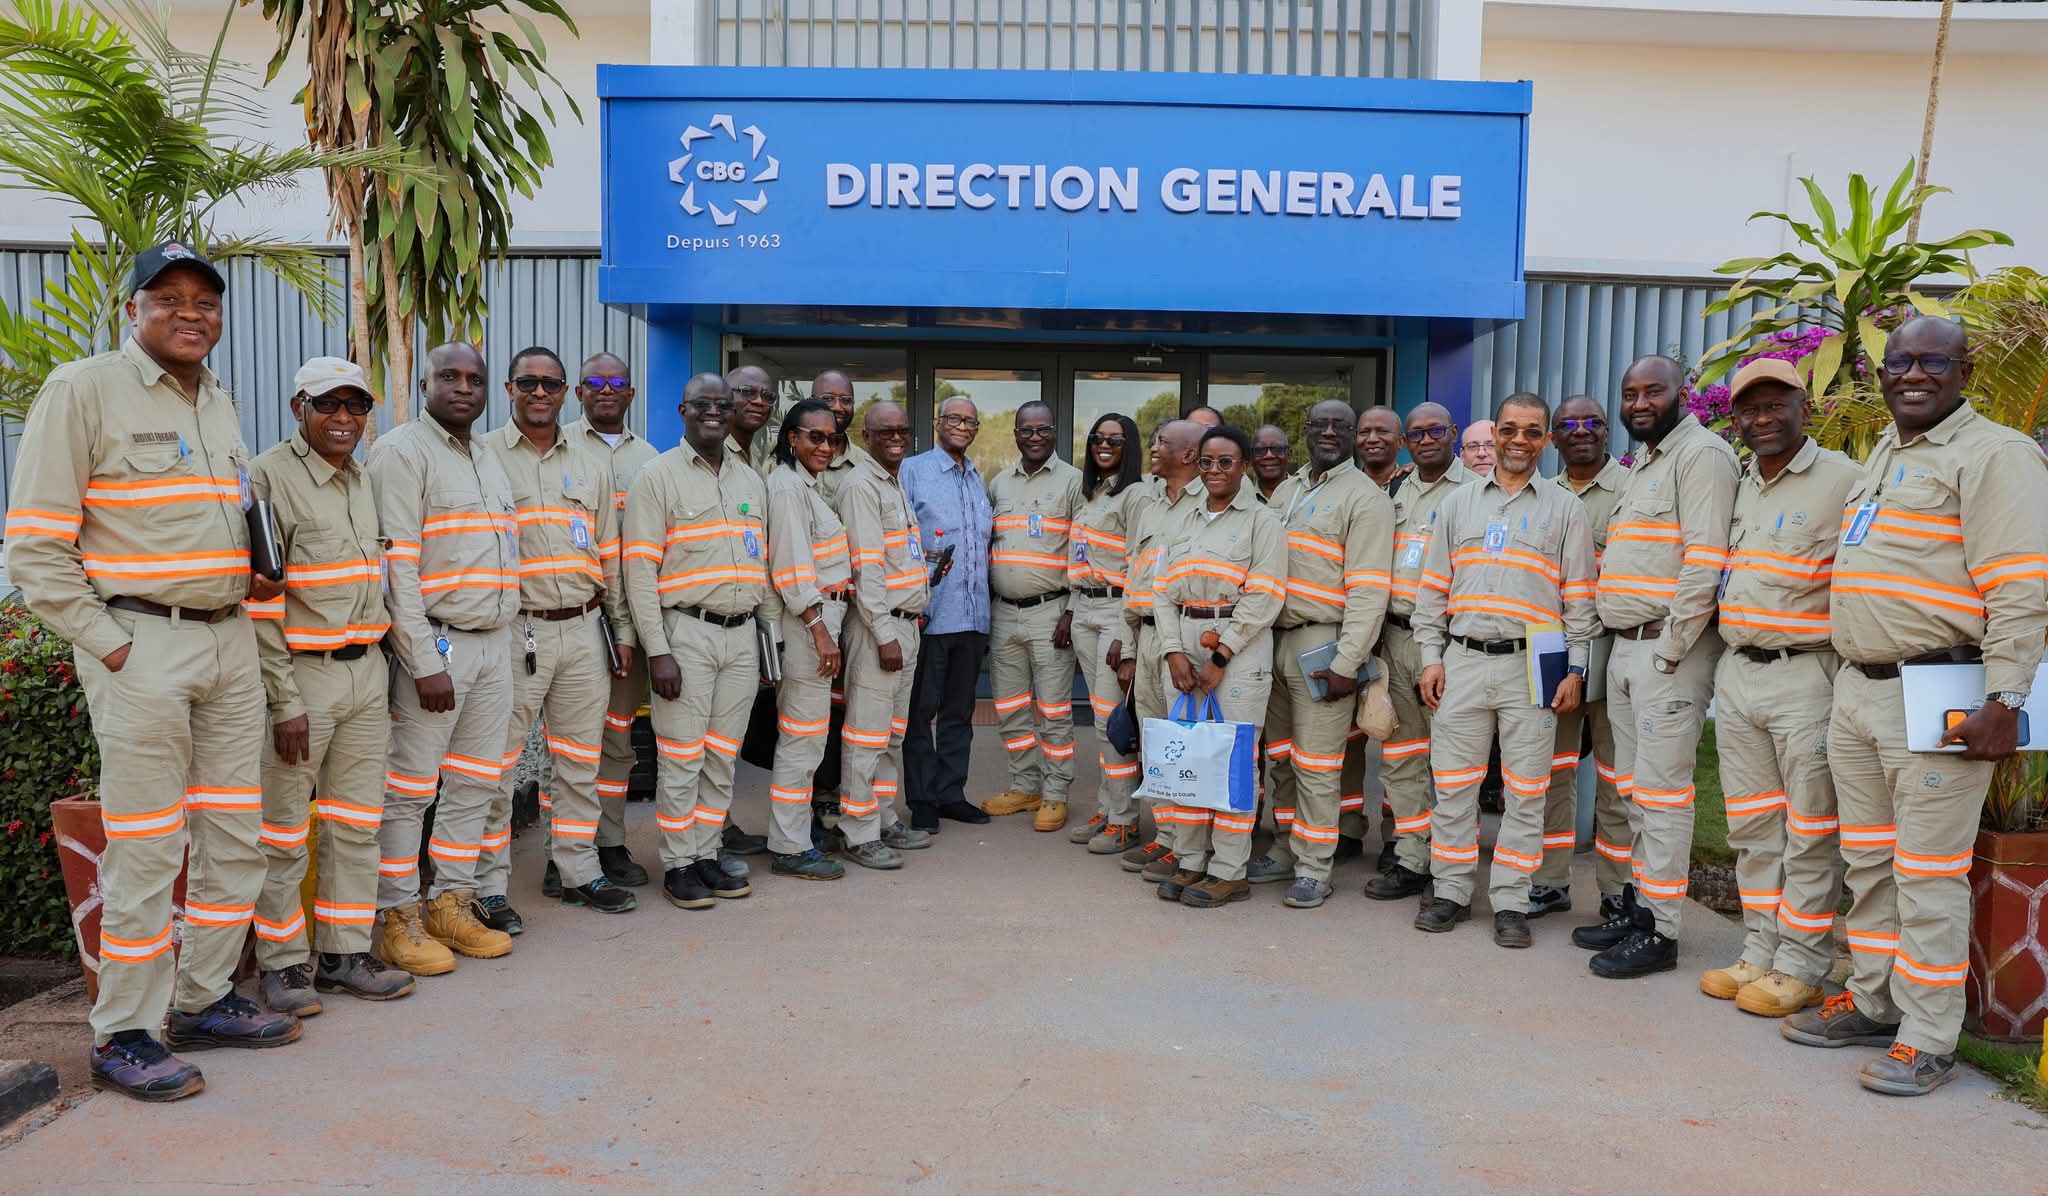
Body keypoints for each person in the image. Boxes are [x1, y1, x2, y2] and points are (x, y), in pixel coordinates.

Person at [7, 243, 297, 1100]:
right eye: (167, 297)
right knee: (145, 844)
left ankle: (203, 997)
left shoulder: (220, 402)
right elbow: (35, 550)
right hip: (144, 645)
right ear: (133, 310)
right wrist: (115, 646)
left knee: (235, 833)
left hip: (228, 639)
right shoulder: (83, 389)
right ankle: (124, 1032)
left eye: (204, 300)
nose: (190, 312)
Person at [1784, 317, 2048, 1096]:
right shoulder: (1886, 454)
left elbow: (2021, 590)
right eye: (1900, 362)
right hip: (1859, 693)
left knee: (1927, 872)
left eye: (1934, 360)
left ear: (1964, 369)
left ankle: (1928, 1036)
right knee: (1867, 861)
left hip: (1941, 697)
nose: (1914, 374)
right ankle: (1872, 999)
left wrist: (2006, 699)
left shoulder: (1995, 455)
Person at [248, 358, 414, 1016]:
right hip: (303, 679)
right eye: (328, 405)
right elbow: (261, 600)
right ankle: (284, 965)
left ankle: (345, 953)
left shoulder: (364, 480)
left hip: (366, 673)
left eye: (356, 406)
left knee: (356, 824)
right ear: (298, 408)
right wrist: (284, 699)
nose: (344, 418)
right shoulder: (269, 477)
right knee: (284, 831)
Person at [1698, 359, 1859, 1013]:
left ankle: (1803, 961)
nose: (1761, 419)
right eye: (1749, 409)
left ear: (1804, 408)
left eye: (1776, 405)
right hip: (1739, 673)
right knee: (1753, 827)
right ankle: (1760, 949)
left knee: (1809, 828)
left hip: (1806, 675)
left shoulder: (1843, 481)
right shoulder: (1741, 483)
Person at [1411, 394, 1598, 947]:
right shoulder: (1457, 505)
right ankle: (1449, 891)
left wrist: (1576, 670)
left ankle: (1512, 901)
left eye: (1532, 432)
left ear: (1546, 440)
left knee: (1526, 791)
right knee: (1453, 787)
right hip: (1463, 661)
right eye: (1509, 430)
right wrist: (1430, 659)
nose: (1519, 441)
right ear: (1494, 437)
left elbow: (1580, 601)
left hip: (1533, 666)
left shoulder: (1566, 509)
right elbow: (1432, 594)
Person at [1581, 355, 1739, 978]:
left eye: (1654, 391)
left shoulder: (1701, 457)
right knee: (1636, 792)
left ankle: (1660, 930)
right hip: (1628, 647)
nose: (1639, 403)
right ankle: (1640, 907)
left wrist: (1671, 648)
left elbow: (1706, 562)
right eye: (1629, 393)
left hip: (1664, 651)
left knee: (1665, 795)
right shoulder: (1647, 462)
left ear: (1684, 394)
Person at [369, 342, 521, 970]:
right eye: (449, 377)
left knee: (474, 784)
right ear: (423, 383)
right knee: (409, 790)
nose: (463, 387)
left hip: (494, 644)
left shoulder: (486, 455)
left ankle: (450, 903)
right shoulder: (400, 453)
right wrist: (422, 660)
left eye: (474, 378)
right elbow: (395, 567)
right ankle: (397, 913)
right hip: (438, 643)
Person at [479, 347, 637, 920]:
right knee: (497, 764)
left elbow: (611, 556)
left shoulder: (590, 465)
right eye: (529, 383)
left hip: (585, 629)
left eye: (551, 384)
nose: (539, 393)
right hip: (516, 633)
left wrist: (620, 628)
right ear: (510, 388)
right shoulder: (485, 456)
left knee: (578, 761)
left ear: (566, 392)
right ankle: (487, 886)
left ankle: (577, 870)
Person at [622, 373, 768, 910]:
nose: (714, 412)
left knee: (722, 757)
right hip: (685, 633)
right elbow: (639, 570)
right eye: (702, 404)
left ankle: (707, 853)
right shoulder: (656, 477)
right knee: (682, 757)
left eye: (722, 405)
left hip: (741, 635)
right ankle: (679, 863)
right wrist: (657, 649)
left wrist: (767, 643)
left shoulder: (749, 480)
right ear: (683, 410)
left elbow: (763, 564)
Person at [1259, 402, 1394, 909]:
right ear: (1307, 431)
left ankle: (1315, 866)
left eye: (1341, 425)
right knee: (1282, 761)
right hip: (1271, 641)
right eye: (1320, 425)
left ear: (1355, 435)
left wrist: (1346, 661)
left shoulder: (1365, 498)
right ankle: (1283, 848)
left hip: (1324, 644)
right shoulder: (1289, 490)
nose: (1330, 432)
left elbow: (1369, 590)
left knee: (1317, 764)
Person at [1151, 425, 1289, 908]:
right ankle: (1190, 861)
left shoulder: (1262, 521)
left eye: (1225, 462)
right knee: (1186, 756)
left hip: (1240, 647)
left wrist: (1221, 656)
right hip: (1184, 641)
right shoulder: (1181, 518)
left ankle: (1228, 870)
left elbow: (1265, 596)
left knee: (1233, 763)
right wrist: (1171, 650)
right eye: (1206, 462)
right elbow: (1161, 591)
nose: (1213, 470)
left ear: (1243, 466)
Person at [1364, 403, 1479, 902]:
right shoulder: (1392, 491)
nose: (1426, 439)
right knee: (1401, 757)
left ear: (1453, 433)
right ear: (1406, 443)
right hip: (1394, 637)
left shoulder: (1477, 491)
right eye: (1417, 433)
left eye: (1436, 430)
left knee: (1453, 762)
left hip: (1449, 643)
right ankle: (1413, 857)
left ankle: (1453, 868)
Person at [557, 353, 660, 896]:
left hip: (630, 622)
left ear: (631, 394)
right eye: (594, 383)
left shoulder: (652, 460)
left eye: (617, 383)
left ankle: (609, 841)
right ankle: (564, 851)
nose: (606, 390)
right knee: (570, 744)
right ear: (578, 392)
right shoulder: (559, 446)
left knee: (617, 739)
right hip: (576, 614)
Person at [1532, 395, 1631, 920]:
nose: (1580, 431)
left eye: (1592, 422)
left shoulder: (1633, 491)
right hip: (1555, 648)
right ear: (1552, 437)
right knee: (1554, 769)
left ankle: (1618, 891)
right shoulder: (1539, 496)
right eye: (1567, 424)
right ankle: (1550, 881)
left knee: (1617, 776)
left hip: (1614, 647)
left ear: (1607, 433)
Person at [834, 400, 938, 864]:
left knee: (892, 735)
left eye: (902, 430)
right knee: (866, 735)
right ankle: (858, 833)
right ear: (867, 435)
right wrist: (883, 633)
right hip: (881, 631)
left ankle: (883, 817)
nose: (895, 437)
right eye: (885, 431)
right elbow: (865, 568)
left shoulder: (893, 482)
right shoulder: (861, 485)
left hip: (905, 626)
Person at [982, 400, 1086, 831]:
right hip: (1003, 614)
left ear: (1054, 432)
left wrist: (1072, 610)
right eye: (1026, 430)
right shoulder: (999, 484)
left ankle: (1057, 792)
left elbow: (1085, 551)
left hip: (1051, 613)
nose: (1035, 437)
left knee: (1055, 710)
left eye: (1042, 429)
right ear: (1016, 435)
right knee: (1008, 707)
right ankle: (1025, 786)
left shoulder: (1074, 483)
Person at [762, 399, 852, 881]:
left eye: (832, 438)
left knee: (807, 737)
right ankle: (790, 845)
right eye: (814, 436)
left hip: (819, 618)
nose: (824, 445)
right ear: (791, 437)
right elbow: (792, 568)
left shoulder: (805, 485)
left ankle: (790, 836)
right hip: (807, 625)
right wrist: (819, 630)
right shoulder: (787, 488)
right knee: (802, 739)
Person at [1115, 420, 1206, 881]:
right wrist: (1128, 646)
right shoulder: (1149, 505)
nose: (1151, 449)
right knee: (1154, 746)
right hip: (1146, 637)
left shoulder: (1210, 503)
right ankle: (1166, 837)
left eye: (1161, 443)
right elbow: (1135, 578)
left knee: (1183, 745)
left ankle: (1191, 846)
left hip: (1184, 641)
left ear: (1189, 455)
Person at [900, 395, 995, 830]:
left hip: (973, 618)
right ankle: (922, 799)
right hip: (931, 615)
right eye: (954, 418)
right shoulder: (912, 472)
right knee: (920, 712)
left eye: (970, 421)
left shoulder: (978, 479)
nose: (962, 426)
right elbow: (897, 539)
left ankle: (950, 792)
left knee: (960, 712)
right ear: (937, 421)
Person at [1066, 413, 1146, 854]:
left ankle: (1125, 820)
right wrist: (1073, 610)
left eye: (1114, 440)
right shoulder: (1092, 494)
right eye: (1097, 438)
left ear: (1129, 446)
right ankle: (1108, 806)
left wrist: (1127, 633)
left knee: (1110, 720)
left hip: (1116, 610)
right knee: (1100, 724)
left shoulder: (1135, 495)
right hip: (1085, 609)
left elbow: (1139, 566)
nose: (1103, 445)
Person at [724, 364, 778, 476]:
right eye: (747, 392)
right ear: (725, 396)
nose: (759, 401)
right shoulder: (714, 455)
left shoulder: (753, 453)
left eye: (767, 396)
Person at [1355, 407, 1408, 492]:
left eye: (1382, 431)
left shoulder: (1415, 484)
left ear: (1401, 441)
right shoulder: (1344, 487)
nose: (1372, 439)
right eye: (1364, 432)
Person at [1250, 424, 1292, 503]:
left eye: (1277, 449)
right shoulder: (1241, 498)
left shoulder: (1304, 495)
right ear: (1251, 458)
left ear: (1289, 455)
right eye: (1260, 450)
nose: (1269, 455)